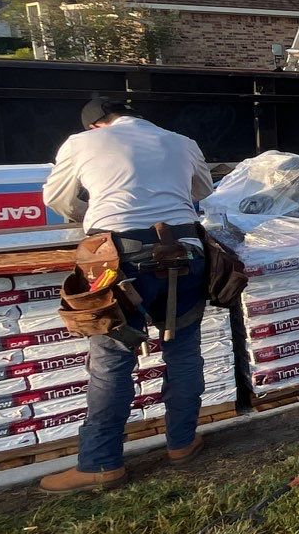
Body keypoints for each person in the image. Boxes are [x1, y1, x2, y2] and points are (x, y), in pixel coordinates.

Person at [37, 97, 215, 492]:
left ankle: (100, 464)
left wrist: (97, 209)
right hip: (186, 252)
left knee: (112, 360)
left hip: (119, 259)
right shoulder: (181, 141)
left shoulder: (80, 143)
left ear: (96, 125)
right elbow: (203, 189)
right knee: (183, 350)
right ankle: (182, 444)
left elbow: (59, 199)